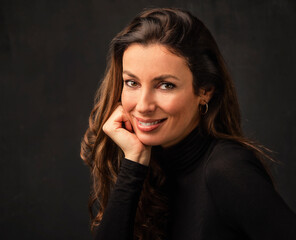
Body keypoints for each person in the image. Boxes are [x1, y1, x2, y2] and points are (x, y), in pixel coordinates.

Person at [80, 8, 296, 240]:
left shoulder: (228, 170)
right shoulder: (146, 163)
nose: (143, 106)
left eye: (166, 85)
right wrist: (134, 163)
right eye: (132, 82)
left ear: (205, 91)